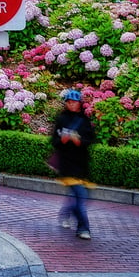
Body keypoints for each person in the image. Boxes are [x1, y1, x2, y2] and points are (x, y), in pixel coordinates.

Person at [51, 88, 97, 239]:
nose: (72, 105)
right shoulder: (62, 119)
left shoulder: (84, 121)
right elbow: (54, 141)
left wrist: (79, 141)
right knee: (80, 197)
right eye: (69, 102)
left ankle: (65, 213)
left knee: (79, 198)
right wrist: (62, 141)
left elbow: (90, 140)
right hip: (67, 165)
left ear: (79, 104)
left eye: (74, 102)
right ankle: (83, 228)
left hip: (81, 165)